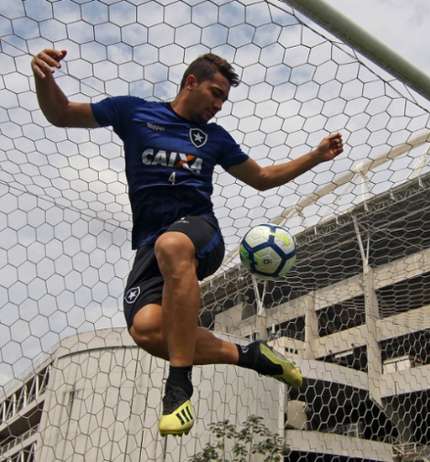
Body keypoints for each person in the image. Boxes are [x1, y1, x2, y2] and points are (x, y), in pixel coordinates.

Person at [31, 49, 344, 437]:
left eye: (224, 99)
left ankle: (178, 386)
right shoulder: (133, 112)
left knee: (174, 245)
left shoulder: (215, 139)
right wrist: (44, 78)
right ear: (190, 82)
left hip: (199, 233)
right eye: (215, 93)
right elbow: (61, 114)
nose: (219, 105)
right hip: (152, 243)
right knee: (147, 331)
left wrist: (315, 156)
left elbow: (262, 177)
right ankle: (250, 355)